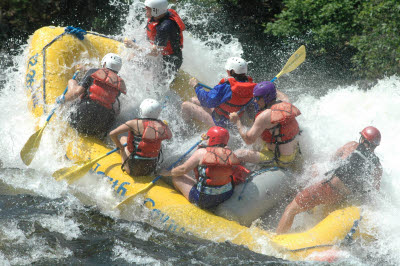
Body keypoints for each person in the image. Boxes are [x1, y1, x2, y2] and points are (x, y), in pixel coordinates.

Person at [275, 126, 383, 234]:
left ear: (362, 139)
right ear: (375, 146)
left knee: (291, 209)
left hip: (328, 189)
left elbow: (332, 160)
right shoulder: (377, 166)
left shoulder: (352, 145)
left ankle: (277, 240)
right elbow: (374, 192)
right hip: (343, 197)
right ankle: (310, 212)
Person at [160, 126, 249, 209]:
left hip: (204, 200)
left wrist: (167, 173)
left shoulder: (201, 153)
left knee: (177, 177)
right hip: (225, 195)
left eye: (208, 138)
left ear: (212, 139)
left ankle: (185, 199)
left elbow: (183, 169)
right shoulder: (229, 152)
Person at [229, 81, 302, 171]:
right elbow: (279, 93)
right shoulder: (286, 103)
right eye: (254, 97)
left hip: (281, 158)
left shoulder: (264, 117)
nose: (255, 100)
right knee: (258, 134)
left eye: (258, 98)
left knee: (238, 154)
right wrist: (264, 87)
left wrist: (237, 121)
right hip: (294, 151)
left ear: (267, 97)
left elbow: (248, 140)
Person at [56, 53, 126, 137]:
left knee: (72, 82)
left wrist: (63, 99)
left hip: (80, 118)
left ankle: (63, 107)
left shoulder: (93, 72)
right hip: (100, 127)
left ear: (104, 63)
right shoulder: (119, 84)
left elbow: (77, 92)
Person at [181, 57, 256, 128]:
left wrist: (196, 86)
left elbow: (206, 101)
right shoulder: (251, 87)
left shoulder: (226, 87)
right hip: (233, 120)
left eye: (228, 70)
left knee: (185, 105)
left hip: (220, 122)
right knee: (193, 100)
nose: (227, 71)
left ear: (232, 71)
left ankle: (187, 130)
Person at [109, 98, 172, 176]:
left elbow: (112, 134)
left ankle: (121, 156)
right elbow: (170, 136)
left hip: (133, 170)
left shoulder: (133, 123)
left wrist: (120, 147)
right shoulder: (162, 126)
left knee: (122, 139)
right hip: (150, 169)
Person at [124, 0, 185, 77]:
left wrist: (133, 46)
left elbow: (155, 53)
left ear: (156, 10)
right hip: (160, 52)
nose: (145, 8)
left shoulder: (165, 26)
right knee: (132, 56)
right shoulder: (158, 16)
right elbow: (147, 33)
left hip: (171, 60)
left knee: (158, 83)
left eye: (148, 7)